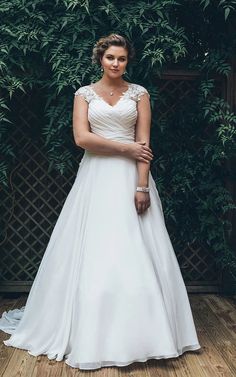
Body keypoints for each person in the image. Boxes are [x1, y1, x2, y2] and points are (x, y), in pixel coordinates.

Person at [0, 34, 201, 370]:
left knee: (136, 249)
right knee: (97, 247)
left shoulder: (139, 94)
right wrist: (125, 147)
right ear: (100, 59)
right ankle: (91, 331)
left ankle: (147, 333)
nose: (116, 64)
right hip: (96, 178)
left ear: (127, 61)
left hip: (129, 179)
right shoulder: (84, 95)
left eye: (121, 59)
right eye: (110, 58)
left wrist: (141, 187)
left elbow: (144, 144)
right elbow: (82, 138)